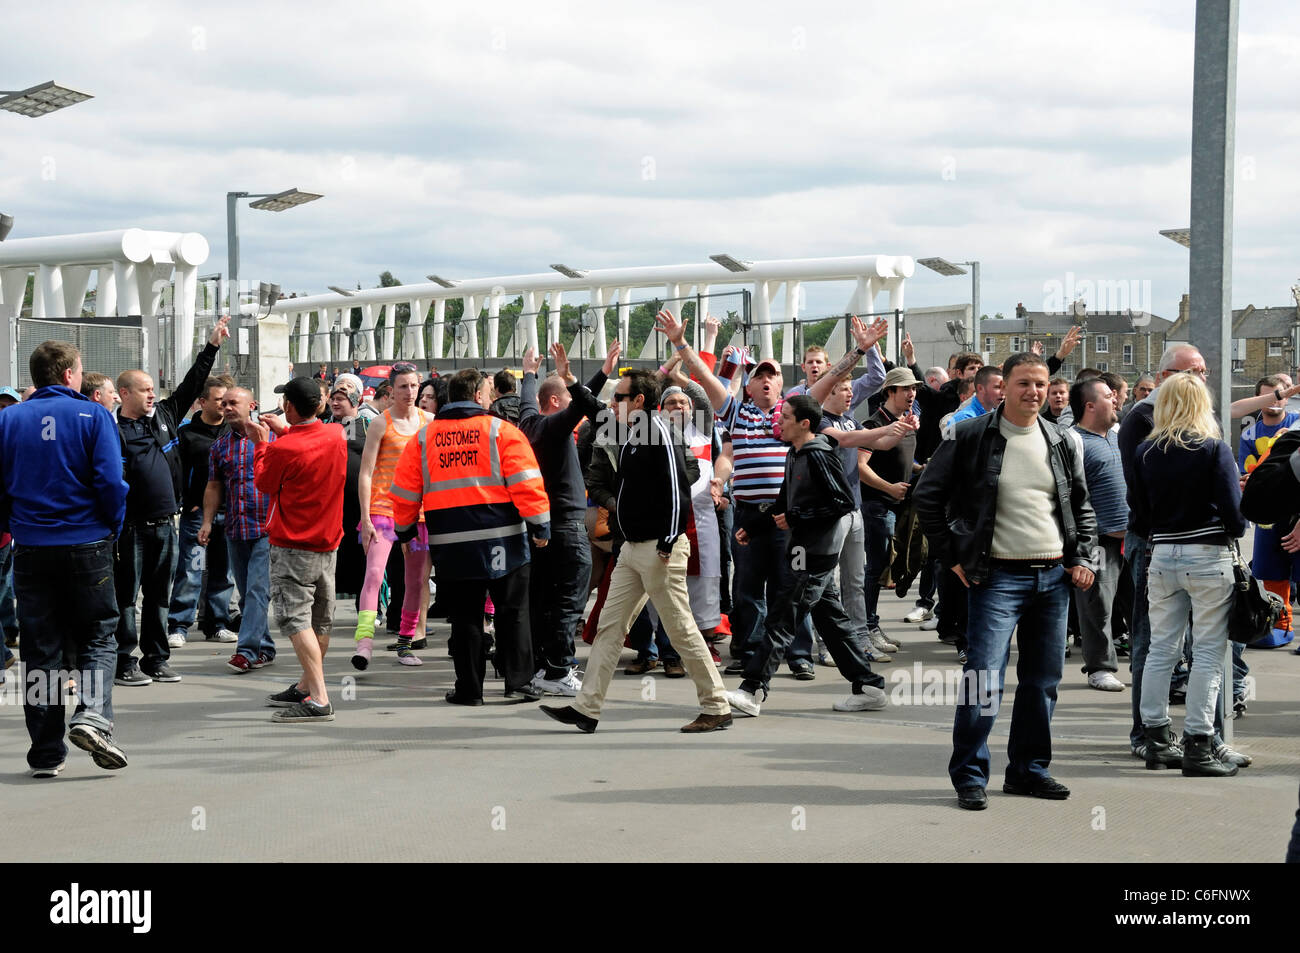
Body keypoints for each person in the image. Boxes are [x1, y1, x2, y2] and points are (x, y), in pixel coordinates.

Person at [663, 309, 891, 680]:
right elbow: (704, 376)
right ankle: (749, 651)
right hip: (750, 515)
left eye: (774, 376)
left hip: (790, 517)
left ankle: (798, 654)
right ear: (749, 386)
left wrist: (859, 351)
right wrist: (679, 343)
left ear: (785, 384)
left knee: (792, 585)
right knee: (748, 588)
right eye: (760, 376)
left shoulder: (795, 412)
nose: (767, 382)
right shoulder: (735, 413)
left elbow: (832, 376)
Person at [914, 352, 1097, 811]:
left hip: (1054, 578)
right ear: (1002, 386)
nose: (1034, 392)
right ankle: (970, 776)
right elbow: (928, 497)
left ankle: (1029, 771)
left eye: (1041, 383)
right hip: (995, 578)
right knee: (983, 680)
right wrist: (951, 555)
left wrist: (1084, 558)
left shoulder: (1060, 439)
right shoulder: (971, 435)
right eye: (1024, 383)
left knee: (1042, 681)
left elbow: (1081, 506)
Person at [540, 369, 731, 733]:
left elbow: (679, 491)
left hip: (658, 550)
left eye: (620, 398)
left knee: (682, 631)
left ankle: (716, 706)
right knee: (610, 628)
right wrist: (570, 380)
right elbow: (595, 411)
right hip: (631, 548)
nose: (614, 404)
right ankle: (587, 708)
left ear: (639, 401)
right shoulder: (633, 430)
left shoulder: (659, 432)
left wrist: (668, 541)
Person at [0, 340, 130, 776]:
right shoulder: (93, 415)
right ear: (70, 374)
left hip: (33, 547)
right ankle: (92, 714)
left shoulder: (9, 419)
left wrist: (15, 525)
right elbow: (112, 481)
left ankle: (46, 752)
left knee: (42, 647)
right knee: (96, 634)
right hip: (86, 542)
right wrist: (112, 525)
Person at [389, 367, 550, 705]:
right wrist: (539, 527)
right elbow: (526, 482)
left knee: (464, 618)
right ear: (479, 396)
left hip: (451, 544)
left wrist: (404, 530)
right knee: (513, 612)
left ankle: (469, 689)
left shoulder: (424, 438)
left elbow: (404, 491)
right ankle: (518, 682)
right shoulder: (500, 431)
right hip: (503, 540)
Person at [725, 395, 888, 716]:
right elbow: (784, 502)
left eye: (785, 416)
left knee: (783, 616)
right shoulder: (794, 453)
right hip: (803, 549)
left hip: (816, 553)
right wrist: (755, 526)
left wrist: (799, 517)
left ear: (804, 423)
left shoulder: (819, 456)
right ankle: (868, 686)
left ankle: (753, 688)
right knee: (832, 622)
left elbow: (842, 502)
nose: (779, 421)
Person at [1129, 373, 1246, 776]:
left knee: (1162, 649)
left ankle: (1157, 738)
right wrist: (1232, 526)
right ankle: (1199, 743)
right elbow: (1233, 511)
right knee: (1209, 653)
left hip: (1162, 553)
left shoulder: (1145, 452)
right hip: (1207, 555)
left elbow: (1138, 511)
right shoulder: (1214, 449)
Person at [113, 315, 230, 686]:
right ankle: (123, 661)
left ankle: (155, 659)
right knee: (126, 598)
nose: (152, 394)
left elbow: (193, 381)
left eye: (153, 389)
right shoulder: (112, 429)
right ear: (125, 394)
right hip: (130, 528)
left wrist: (211, 346)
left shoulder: (164, 415)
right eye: (145, 389)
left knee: (159, 596)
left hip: (166, 525)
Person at [518, 339, 619, 695]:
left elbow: (529, 401)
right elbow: (581, 405)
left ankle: (544, 669)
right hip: (568, 528)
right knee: (568, 603)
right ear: (556, 402)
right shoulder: (552, 428)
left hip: (541, 529)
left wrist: (528, 374)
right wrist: (602, 373)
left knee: (544, 601)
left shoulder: (528, 424)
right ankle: (559, 671)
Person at [249, 377, 347, 722]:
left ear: (289, 407)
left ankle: (318, 696)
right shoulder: (335, 435)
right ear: (319, 405)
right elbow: (309, 444)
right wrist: (283, 433)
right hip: (327, 541)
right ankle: (308, 684)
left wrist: (263, 443)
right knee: (320, 617)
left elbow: (264, 482)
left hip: (292, 545)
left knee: (296, 619)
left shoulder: (282, 449)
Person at [351, 362, 434, 669]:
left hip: (418, 515)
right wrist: (366, 519)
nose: (409, 392)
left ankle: (405, 644)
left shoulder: (430, 422)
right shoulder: (380, 423)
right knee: (374, 574)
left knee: (415, 581)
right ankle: (364, 644)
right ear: (391, 390)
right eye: (403, 387)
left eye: (414, 386)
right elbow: (366, 473)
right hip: (383, 511)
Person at [202, 387, 276, 674]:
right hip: (235, 528)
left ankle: (245, 651)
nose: (227, 407)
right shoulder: (220, 447)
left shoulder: (272, 437)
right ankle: (265, 648)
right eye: (224, 403)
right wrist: (208, 522)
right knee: (247, 595)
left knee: (258, 591)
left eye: (234, 403)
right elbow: (214, 486)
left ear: (252, 405)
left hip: (267, 528)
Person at [166, 377, 235, 648]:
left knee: (223, 570)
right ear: (202, 402)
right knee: (191, 568)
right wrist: (186, 501)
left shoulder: (234, 432)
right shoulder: (186, 434)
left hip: (230, 513)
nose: (224, 406)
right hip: (197, 514)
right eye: (219, 400)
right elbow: (176, 472)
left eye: (228, 401)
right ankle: (179, 625)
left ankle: (217, 623)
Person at [1069, 377, 1127, 691]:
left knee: (1141, 605)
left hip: (1132, 540)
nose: (1116, 398)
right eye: (1108, 395)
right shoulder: (1073, 441)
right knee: (1097, 606)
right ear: (1090, 406)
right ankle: (1099, 667)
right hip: (1098, 542)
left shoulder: (1119, 436)